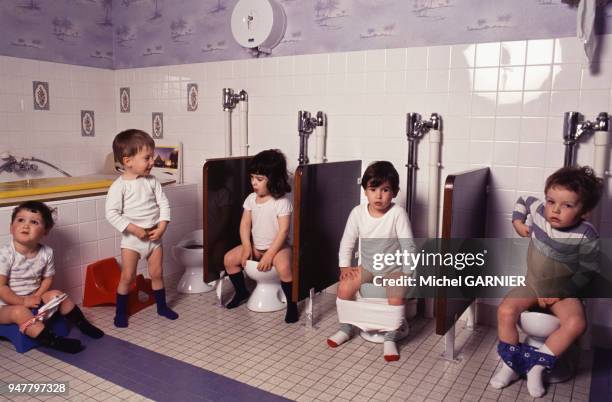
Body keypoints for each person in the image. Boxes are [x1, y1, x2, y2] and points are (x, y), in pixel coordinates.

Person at [490, 166, 603, 397]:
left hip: (564, 292)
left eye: (567, 205)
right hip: (533, 284)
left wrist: (565, 290)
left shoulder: (586, 234)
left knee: (577, 323)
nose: (555, 210)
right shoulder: (540, 212)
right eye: (551, 201)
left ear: (585, 211)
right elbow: (523, 200)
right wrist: (517, 221)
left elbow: (590, 270)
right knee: (506, 310)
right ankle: (511, 364)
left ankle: (537, 367)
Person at [327, 161, 416, 362]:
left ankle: (390, 337)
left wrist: (407, 273)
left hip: (393, 270)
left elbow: (408, 246)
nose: (378, 195)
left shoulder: (397, 214)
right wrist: (344, 266)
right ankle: (346, 328)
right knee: (344, 288)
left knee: (395, 294)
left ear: (394, 192)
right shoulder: (357, 213)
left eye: (385, 190)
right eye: (373, 189)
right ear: (365, 191)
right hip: (367, 268)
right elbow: (347, 241)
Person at [0, 201, 104, 353]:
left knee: (58, 295)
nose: (25, 225)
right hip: (5, 306)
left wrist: (37, 295)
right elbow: (1, 287)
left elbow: (48, 279)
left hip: (32, 298)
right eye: (20, 220)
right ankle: (53, 341)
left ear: (45, 231)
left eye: (34, 222)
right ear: (11, 227)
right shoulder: (5, 254)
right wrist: (23, 301)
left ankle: (82, 323)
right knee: (19, 312)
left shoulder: (46, 252)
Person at [105, 129, 178, 328]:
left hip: (155, 238)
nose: (152, 162)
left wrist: (162, 226)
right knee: (127, 277)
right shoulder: (119, 186)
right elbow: (111, 213)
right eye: (147, 158)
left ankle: (162, 307)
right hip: (132, 241)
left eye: (152, 157)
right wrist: (133, 229)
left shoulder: (152, 181)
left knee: (156, 273)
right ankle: (120, 312)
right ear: (128, 161)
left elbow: (163, 204)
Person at [223, 149, 298, 323]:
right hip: (256, 247)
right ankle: (242, 292)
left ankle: (292, 304)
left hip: (278, 248)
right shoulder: (251, 199)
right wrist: (247, 247)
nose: (254, 183)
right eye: (252, 178)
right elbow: (244, 225)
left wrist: (271, 254)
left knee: (285, 268)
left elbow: (283, 232)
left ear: (273, 179)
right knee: (228, 260)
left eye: (259, 179)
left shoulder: (281, 202)